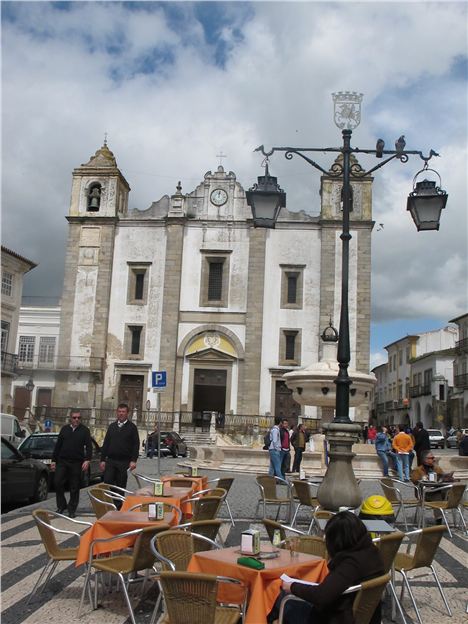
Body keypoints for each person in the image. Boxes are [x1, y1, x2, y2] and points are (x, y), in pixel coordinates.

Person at [276, 511, 384, 624]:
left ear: (338, 541)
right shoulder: (372, 552)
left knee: (280, 598)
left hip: (337, 618)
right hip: (365, 618)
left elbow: (321, 596)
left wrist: (292, 587)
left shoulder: (350, 565)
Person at [51, 408, 93, 518]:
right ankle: (61, 505)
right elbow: (58, 446)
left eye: (79, 418)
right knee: (57, 482)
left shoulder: (85, 430)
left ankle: (72, 509)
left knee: (74, 487)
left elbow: (89, 447)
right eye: (74, 418)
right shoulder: (64, 429)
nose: (76, 420)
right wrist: (53, 460)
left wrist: (87, 460)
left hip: (76, 462)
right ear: (70, 418)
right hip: (62, 461)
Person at [100, 403, 140, 490]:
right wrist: (102, 460)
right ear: (117, 413)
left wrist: (133, 460)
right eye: (119, 411)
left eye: (123, 412)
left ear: (127, 413)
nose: (121, 413)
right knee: (108, 483)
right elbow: (106, 443)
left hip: (123, 462)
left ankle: (119, 503)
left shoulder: (132, 428)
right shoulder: (112, 426)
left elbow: (136, 445)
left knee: (120, 485)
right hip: (111, 461)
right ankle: (109, 503)